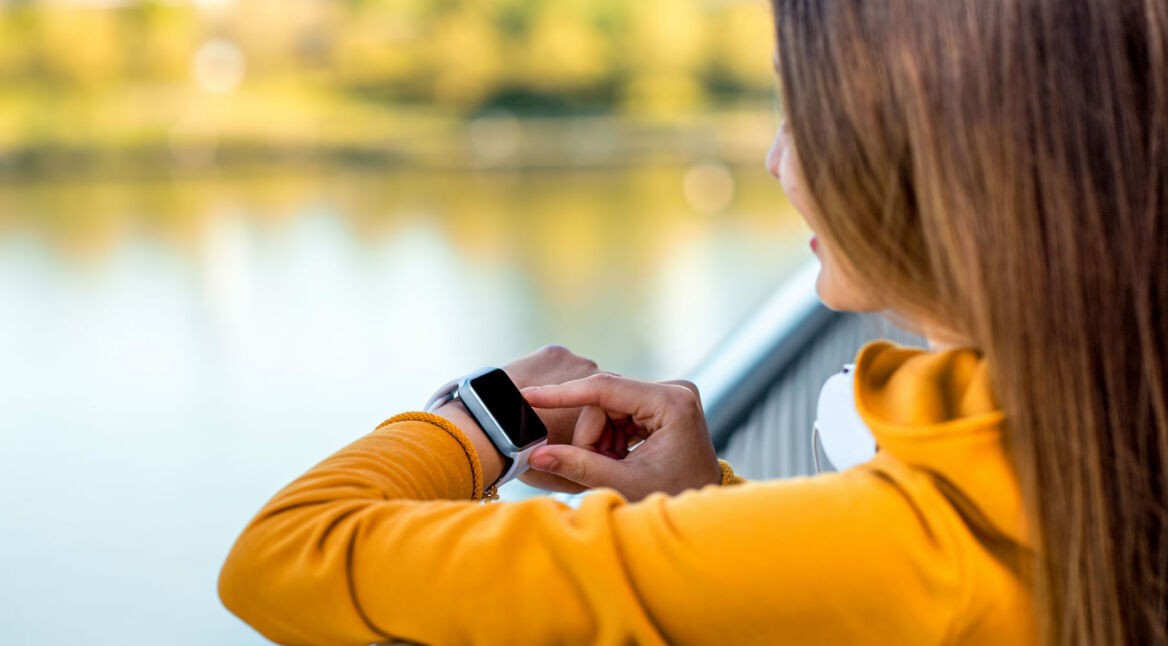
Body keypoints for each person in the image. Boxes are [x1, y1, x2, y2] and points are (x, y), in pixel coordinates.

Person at [219, 0, 1168, 644]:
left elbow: (285, 559)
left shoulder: (924, 542)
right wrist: (706, 508)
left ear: (933, 161)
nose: (773, 159)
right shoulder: (1111, 440)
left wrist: (479, 418)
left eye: (806, 116)